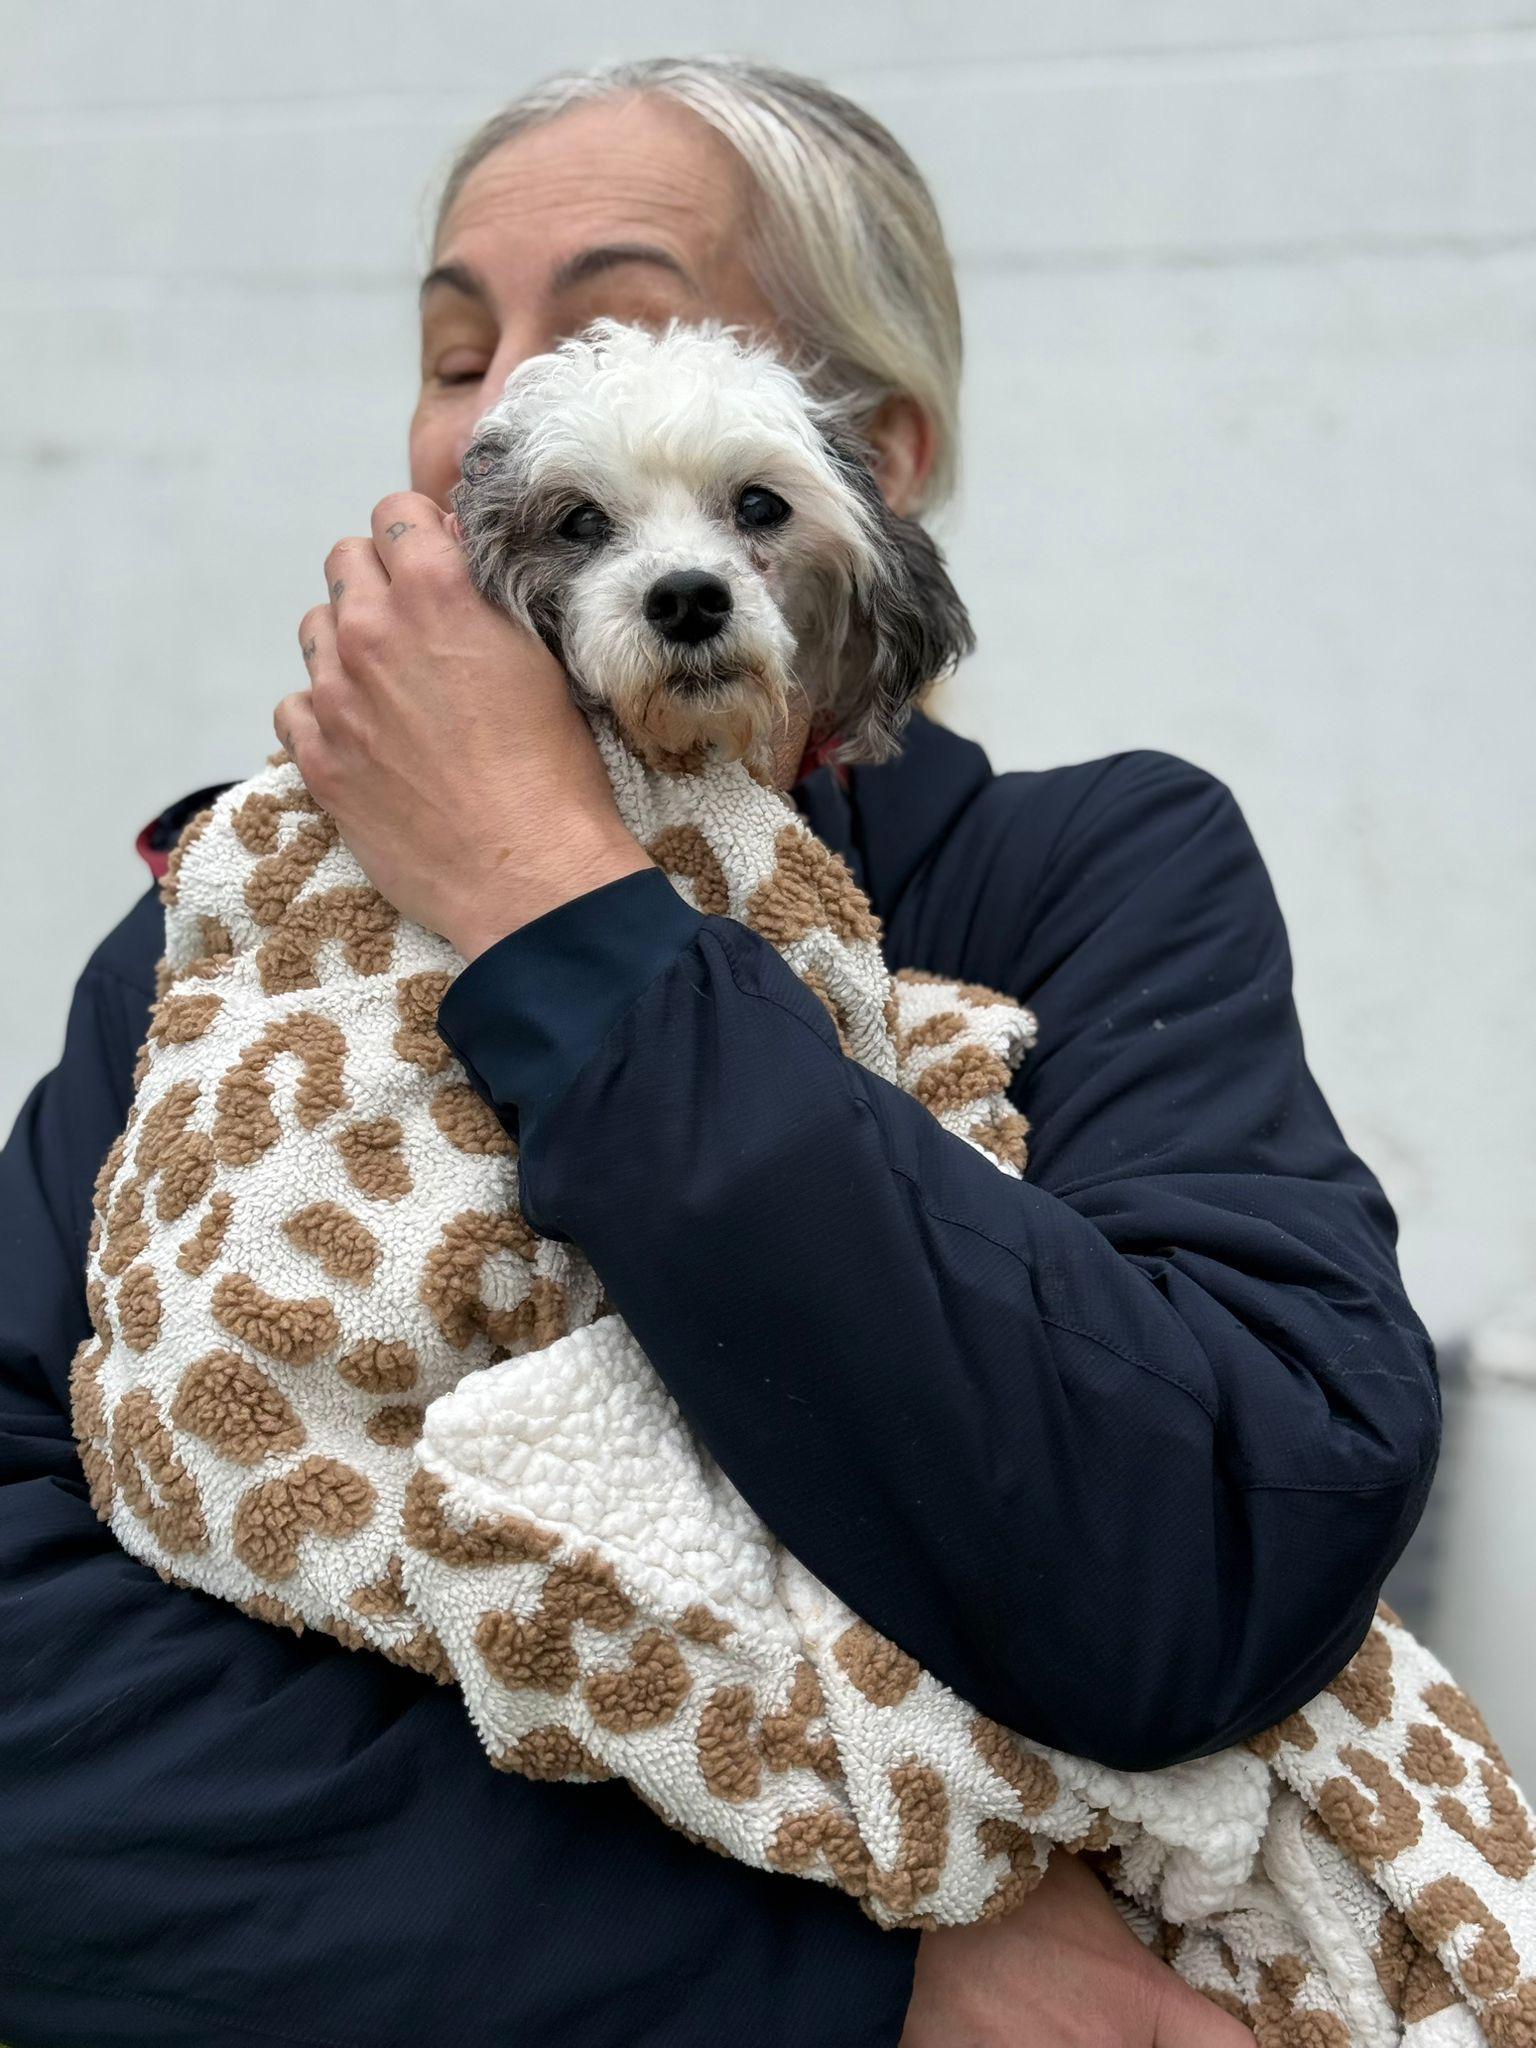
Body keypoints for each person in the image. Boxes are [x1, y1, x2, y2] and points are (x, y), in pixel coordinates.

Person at [0, 55, 1438, 2048]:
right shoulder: (224, 941)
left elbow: (1201, 1563)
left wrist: (555, 906)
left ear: (877, 462)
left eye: (600, 327)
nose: (498, 402)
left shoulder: (1086, 880)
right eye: (452, 349)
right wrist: (850, 1977)